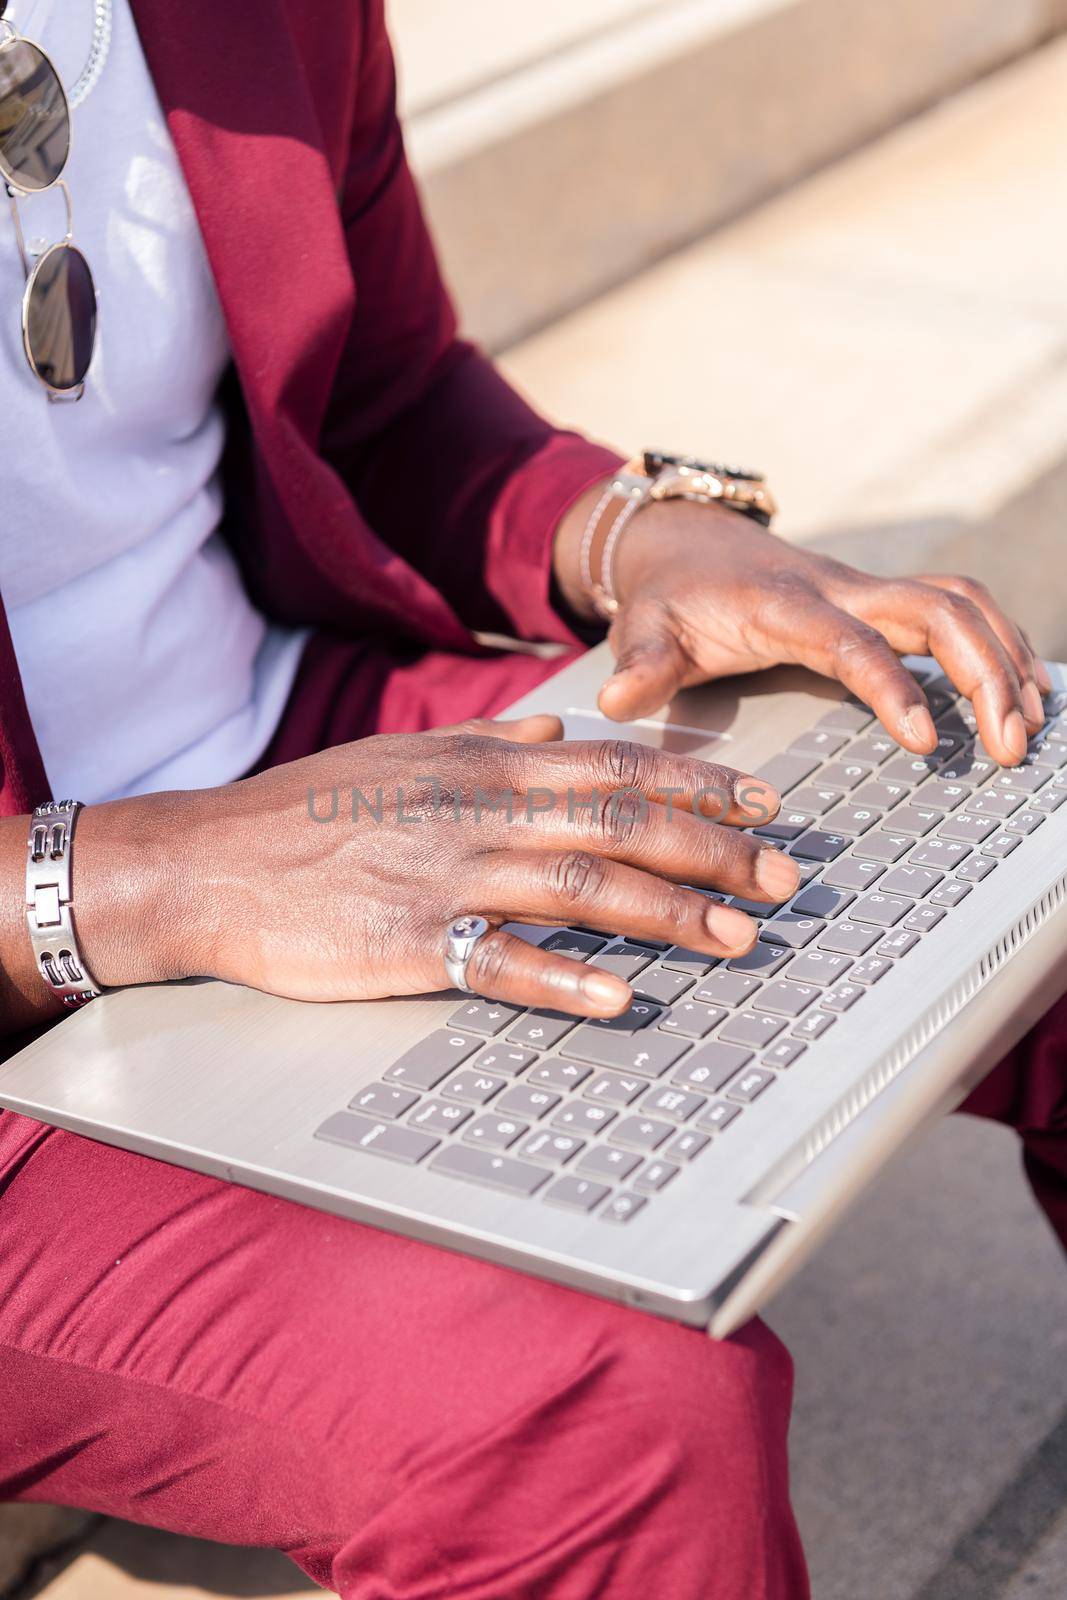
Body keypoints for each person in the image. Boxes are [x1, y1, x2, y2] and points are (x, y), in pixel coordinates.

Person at [0, 3, 1064, 1596]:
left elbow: (388, 394)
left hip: (298, 723)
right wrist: (160, 880)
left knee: (1004, 813)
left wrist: (634, 540)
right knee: (605, 1418)